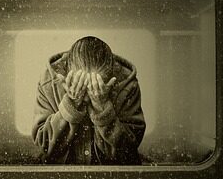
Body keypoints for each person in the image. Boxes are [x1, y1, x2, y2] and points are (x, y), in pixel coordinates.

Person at [32, 36, 145, 164]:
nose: (88, 96)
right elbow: (44, 145)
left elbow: (127, 151)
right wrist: (70, 104)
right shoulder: (48, 84)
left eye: (96, 86)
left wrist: (103, 108)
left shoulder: (127, 87)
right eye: (81, 86)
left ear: (111, 79)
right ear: (67, 74)